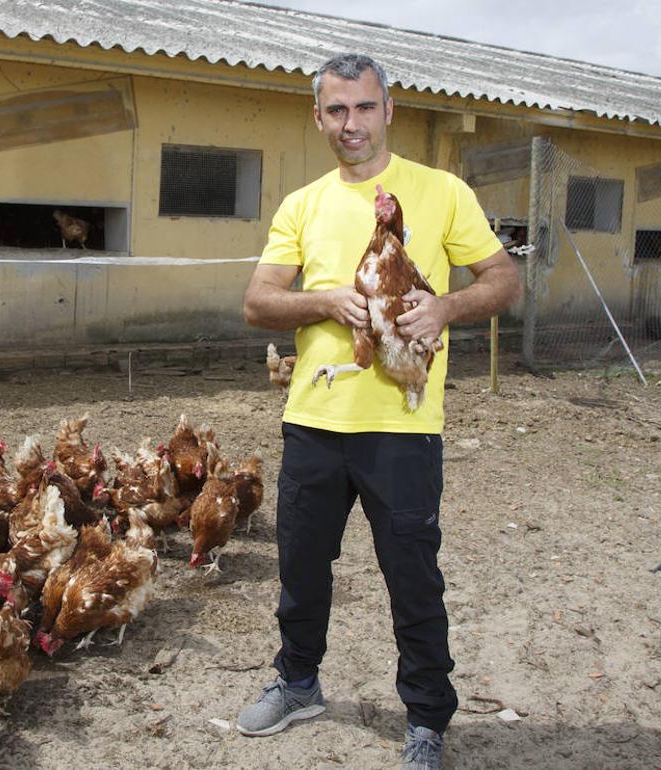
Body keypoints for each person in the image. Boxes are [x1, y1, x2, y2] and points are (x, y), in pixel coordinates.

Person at [236, 53, 521, 770]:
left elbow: (503, 279)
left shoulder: (443, 191)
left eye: (365, 107)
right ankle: (298, 681)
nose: (351, 123)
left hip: (402, 429)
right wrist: (326, 300)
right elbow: (258, 302)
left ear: (388, 110)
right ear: (318, 118)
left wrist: (446, 307)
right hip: (314, 423)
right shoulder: (302, 204)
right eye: (337, 110)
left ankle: (426, 717)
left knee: (412, 578)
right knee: (302, 569)